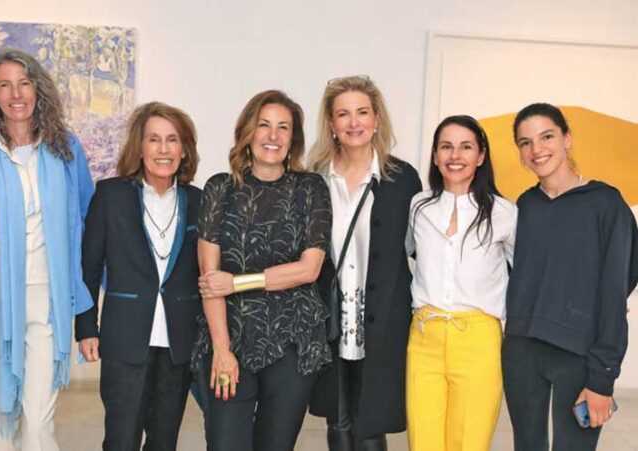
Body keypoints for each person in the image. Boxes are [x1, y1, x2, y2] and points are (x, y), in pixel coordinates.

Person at [0, 48, 94, 450]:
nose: (16, 94)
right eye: (4, 85)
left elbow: (88, 222)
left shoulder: (66, 150)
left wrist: (88, 300)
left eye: (24, 83)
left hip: (49, 298)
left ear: (38, 89)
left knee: (38, 420)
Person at [192, 89, 332, 451]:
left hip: (293, 339)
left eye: (283, 127)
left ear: (293, 138)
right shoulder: (220, 188)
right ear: (247, 132)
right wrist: (221, 350)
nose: (273, 135)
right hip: (230, 336)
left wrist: (236, 283)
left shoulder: (311, 188)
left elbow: (309, 269)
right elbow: (210, 281)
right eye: (263, 125)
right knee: (225, 444)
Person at [503, 102, 638, 451]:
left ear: (567, 139)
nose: (537, 149)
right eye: (525, 142)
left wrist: (602, 377)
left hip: (579, 354)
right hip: (521, 351)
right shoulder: (524, 206)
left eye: (547, 137)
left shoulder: (606, 203)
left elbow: (616, 292)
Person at [75, 102, 201, 450]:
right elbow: (89, 266)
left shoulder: (199, 201)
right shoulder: (110, 195)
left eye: (172, 140)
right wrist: (86, 327)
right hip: (124, 338)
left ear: (184, 149)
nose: (163, 149)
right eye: (154, 139)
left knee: (164, 441)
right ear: (140, 147)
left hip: (178, 342)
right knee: (121, 440)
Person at [307, 75, 422, 451]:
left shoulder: (402, 179)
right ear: (331, 123)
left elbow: (419, 249)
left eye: (362, 112)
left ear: (376, 119)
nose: (354, 122)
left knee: (372, 418)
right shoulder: (314, 179)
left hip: (383, 320)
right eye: (343, 114)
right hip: (330, 319)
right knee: (337, 418)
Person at [405, 115, 516, 451]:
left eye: (466, 147)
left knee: (469, 442)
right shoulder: (419, 207)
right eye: (446, 147)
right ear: (435, 156)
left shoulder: (504, 212)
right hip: (424, 337)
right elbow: (405, 253)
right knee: (423, 442)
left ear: (480, 156)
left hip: (478, 339)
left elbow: (527, 273)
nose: (455, 156)